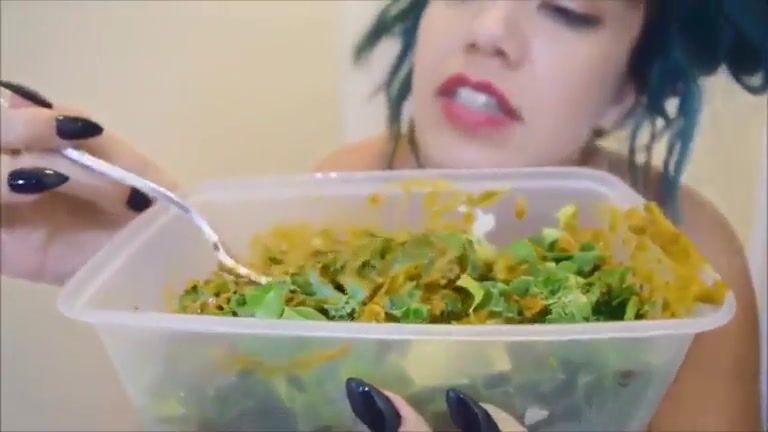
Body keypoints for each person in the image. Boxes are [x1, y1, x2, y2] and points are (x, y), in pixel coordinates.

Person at [1, 0, 766, 431]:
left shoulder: (684, 260)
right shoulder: (345, 185)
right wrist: (163, 266)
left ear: (626, 92)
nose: (489, 29)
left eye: (568, 8)